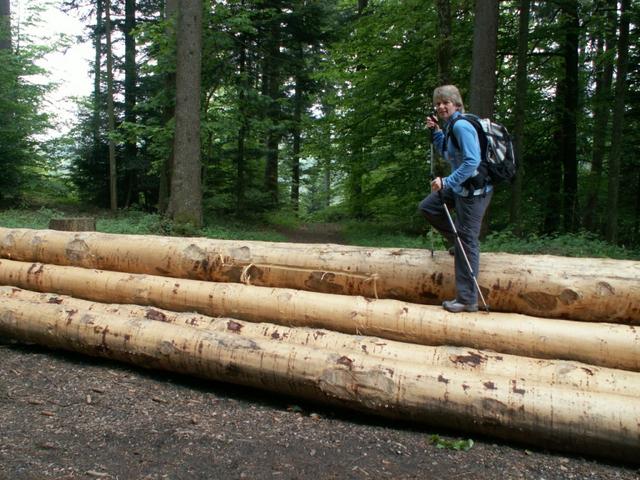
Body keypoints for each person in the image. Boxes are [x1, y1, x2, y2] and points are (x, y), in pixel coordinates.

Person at [419, 85, 492, 313]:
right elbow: (448, 153)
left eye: (446, 102)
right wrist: (437, 132)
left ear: (457, 104)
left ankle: (467, 300)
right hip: (460, 187)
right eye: (438, 103)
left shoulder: (461, 126)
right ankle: (455, 241)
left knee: (467, 241)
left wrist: (446, 181)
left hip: (473, 193)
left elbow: (472, 162)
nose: (441, 106)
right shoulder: (451, 126)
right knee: (429, 206)